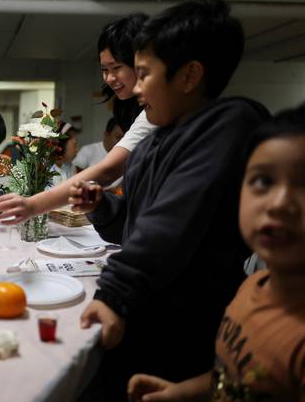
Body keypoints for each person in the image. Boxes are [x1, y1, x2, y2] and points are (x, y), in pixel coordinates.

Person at [72, 0, 271, 399]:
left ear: (189, 76)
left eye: (144, 74)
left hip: (188, 321)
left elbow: (170, 224)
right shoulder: (153, 142)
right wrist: (102, 207)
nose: (136, 87)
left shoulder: (228, 124)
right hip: (149, 309)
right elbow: (135, 220)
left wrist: (114, 290)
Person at [128, 105, 305, 401]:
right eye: (263, 181)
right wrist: (181, 391)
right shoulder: (250, 287)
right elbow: (239, 375)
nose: (278, 203)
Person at [0, 13, 156, 223]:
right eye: (104, 70)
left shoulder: (156, 113)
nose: (110, 78)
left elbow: (108, 170)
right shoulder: (137, 110)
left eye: (117, 68)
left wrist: (32, 205)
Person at [51, 122, 80, 186]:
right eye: (75, 144)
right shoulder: (44, 171)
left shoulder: (71, 167)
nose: (77, 149)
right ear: (61, 143)